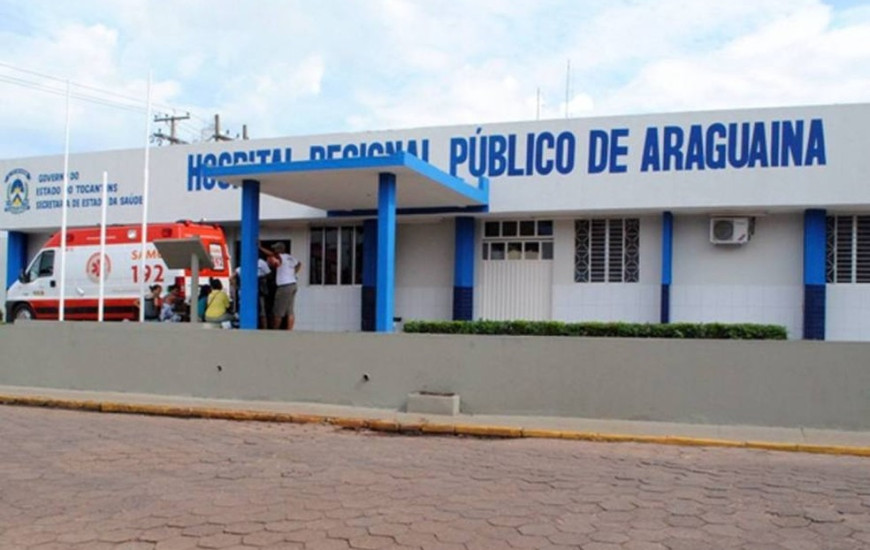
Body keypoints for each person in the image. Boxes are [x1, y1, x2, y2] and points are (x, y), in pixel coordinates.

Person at [260, 241, 301, 330]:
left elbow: (272, 254)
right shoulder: (290, 257)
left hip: (284, 286)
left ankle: (276, 331)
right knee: (290, 311)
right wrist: (293, 273)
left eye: (275, 248)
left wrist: (260, 248)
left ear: (279, 250)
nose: (274, 250)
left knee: (278, 310)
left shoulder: (281, 257)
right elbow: (299, 264)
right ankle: (289, 330)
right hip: (293, 284)